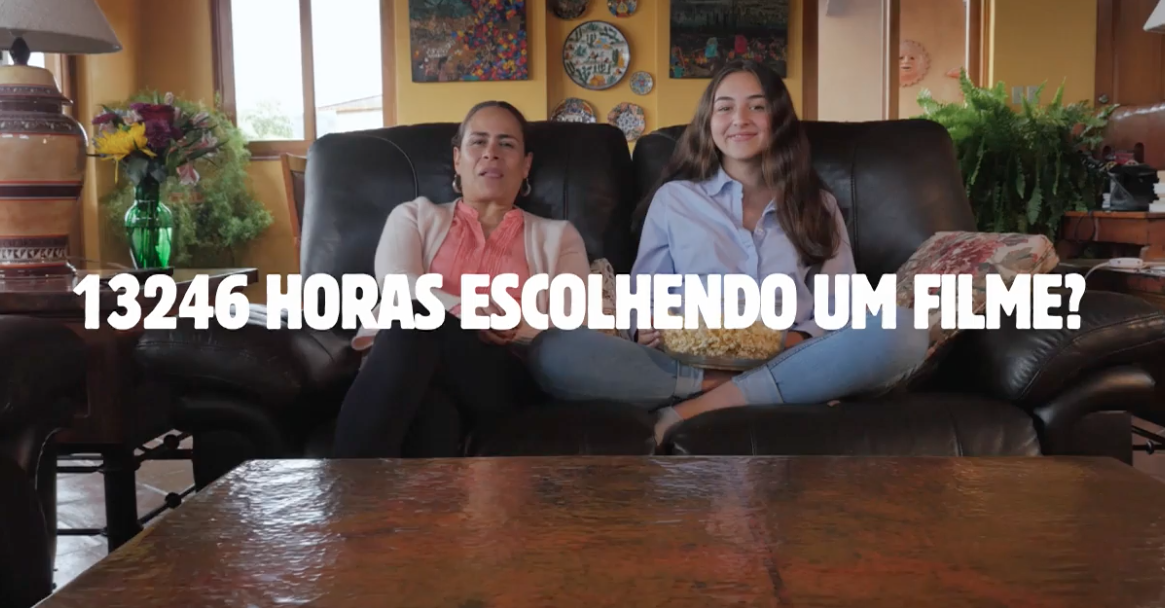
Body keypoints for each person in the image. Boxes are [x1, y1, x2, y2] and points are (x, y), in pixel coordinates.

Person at [525, 60, 930, 445]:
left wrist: (787, 344)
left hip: (791, 352)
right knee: (553, 351)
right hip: (687, 361)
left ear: (780, 119)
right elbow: (646, 296)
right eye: (725, 107)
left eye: (758, 106)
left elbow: (839, 310)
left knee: (904, 332)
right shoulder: (675, 200)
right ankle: (739, 387)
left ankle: (693, 408)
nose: (740, 119)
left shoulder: (817, 205)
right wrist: (645, 326)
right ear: (708, 121)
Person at [332, 101, 592, 458]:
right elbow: (397, 282)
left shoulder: (559, 236)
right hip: (410, 365)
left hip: (504, 375)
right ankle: (395, 493)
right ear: (457, 159)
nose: (491, 152)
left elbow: (574, 321)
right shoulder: (414, 216)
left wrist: (509, 325)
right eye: (478, 141)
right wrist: (466, 310)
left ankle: (345, 487)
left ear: (526, 164)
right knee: (432, 406)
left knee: (416, 318)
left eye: (506, 143)